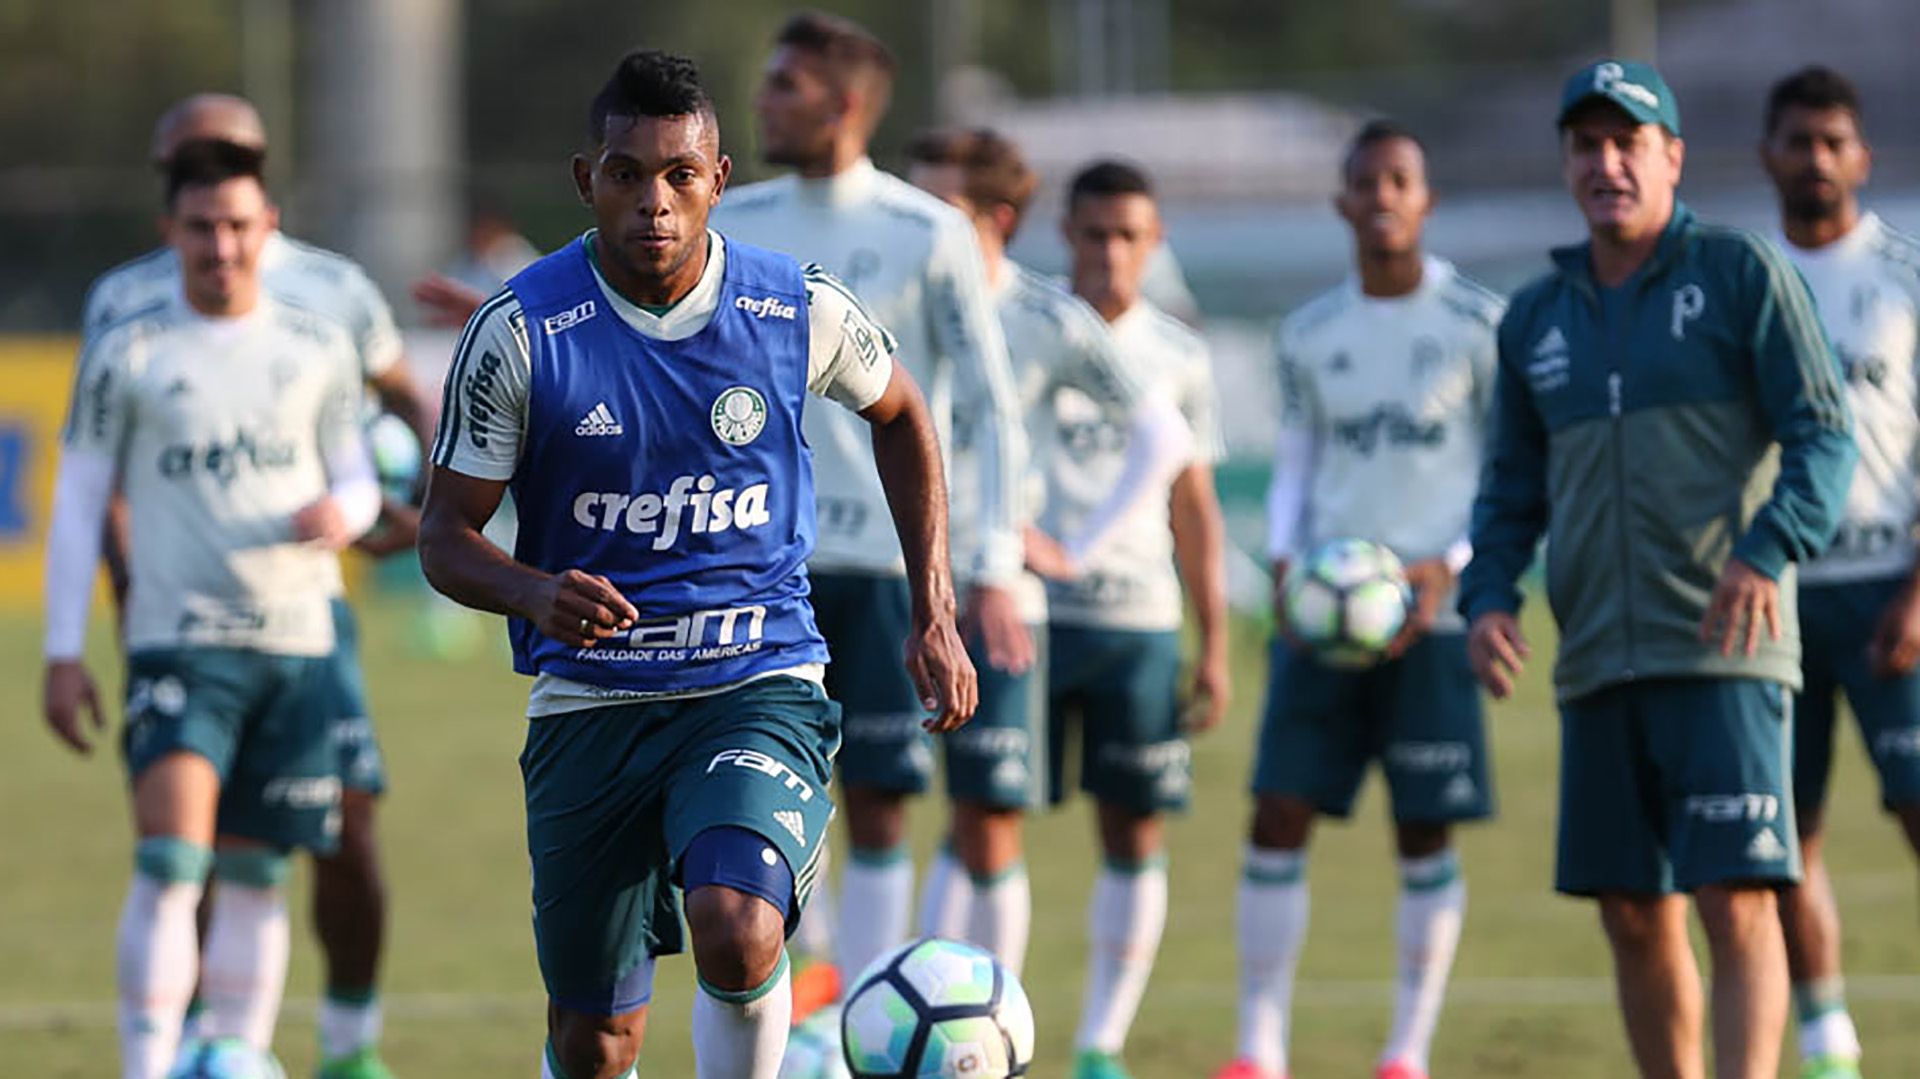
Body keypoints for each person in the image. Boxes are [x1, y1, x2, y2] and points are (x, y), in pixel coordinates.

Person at [415, 51, 974, 1079]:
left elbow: (902, 414)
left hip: (753, 680)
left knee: (738, 922)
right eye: (627, 174)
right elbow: (444, 535)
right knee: (596, 1041)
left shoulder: (794, 308)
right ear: (586, 180)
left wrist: (932, 607)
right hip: (591, 703)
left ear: (720, 179)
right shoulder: (521, 331)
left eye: (680, 175)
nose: (655, 202)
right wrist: (534, 590)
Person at [1460, 60, 1857, 1079]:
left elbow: (1824, 434)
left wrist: (1769, 548)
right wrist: (1489, 595)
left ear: (1671, 157)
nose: (1607, 163)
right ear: (1566, 163)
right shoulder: (1535, 317)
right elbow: (1510, 488)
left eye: (1627, 142)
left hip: (1726, 650)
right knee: (1634, 913)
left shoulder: (1738, 273)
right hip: (1597, 657)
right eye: (1586, 145)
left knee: (1735, 897)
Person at [79, 94, 426, 1079]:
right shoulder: (125, 300)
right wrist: (127, 587)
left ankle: (349, 1047)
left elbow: (410, 404)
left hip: (305, 618)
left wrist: (414, 515)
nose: (204, 177)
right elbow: (104, 471)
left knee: (347, 825)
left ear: (260, 178)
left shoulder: (332, 288)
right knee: (184, 843)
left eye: (224, 158)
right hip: (178, 617)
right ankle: (200, 1043)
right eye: (182, 163)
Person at [712, 9, 1027, 1002]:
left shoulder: (927, 230)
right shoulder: (735, 221)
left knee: (882, 802)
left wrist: (992, 564)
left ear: (845, 104)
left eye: (785, 85)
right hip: (759, 563)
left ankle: (857, 1017)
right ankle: (797, 1003)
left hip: (885, 566)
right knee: (756, 796)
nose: (762, 100)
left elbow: (989, 404)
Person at [1215, 120, 1503, 1079]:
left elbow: (1505, 469)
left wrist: (1449, 564)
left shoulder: (1478, 324)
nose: (1382, 196)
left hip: (1433, 618)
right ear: (1342, 202)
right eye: (1366, 182)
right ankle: (1260, 1050)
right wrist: (1285, 560)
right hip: (1322, 613)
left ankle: (1406, 1052)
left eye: (1399, 180)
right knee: (1277, 812)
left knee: (1423, 827)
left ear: (1426, 199)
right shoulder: (1310, 332)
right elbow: (1297, 459)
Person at [904, 128, 1194, 975]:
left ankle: (985, 1018)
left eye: (936, 210)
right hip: (888, 582)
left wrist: (1074, 548)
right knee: (867, 804)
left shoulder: (1042, 318)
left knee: (987, 813)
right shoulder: (890, 306)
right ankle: (862, 1002)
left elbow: (1165, 437)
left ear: (994, 219)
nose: (913, 227)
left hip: (997, 598)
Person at [1053, 158, 1230, 1079]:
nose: (1112, 253)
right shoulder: (1028, 331)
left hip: (1140, 624)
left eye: (1129, 236)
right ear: (1066, 234)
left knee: (1134, 828)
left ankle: (1100, 1043)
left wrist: (1216, 641)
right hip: (1032, 619)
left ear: (1155, 242)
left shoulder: (1180, 354)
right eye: (1095, 234)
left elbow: (1194, 507)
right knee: (983, 817)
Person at [1760, 64, 1920, 1079]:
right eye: (1798, 141)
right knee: (1787, 831)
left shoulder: (1905, 277)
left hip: (1889, 588)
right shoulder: (1743, 282)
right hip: (1774, 597)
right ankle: (1829, 1050)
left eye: (1833, 141)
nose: (1815, 158)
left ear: (1861, 156)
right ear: (1767, 154)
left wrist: (1918, 593)